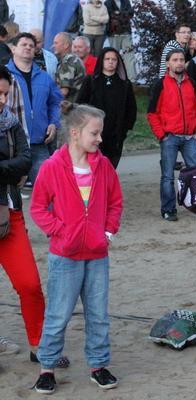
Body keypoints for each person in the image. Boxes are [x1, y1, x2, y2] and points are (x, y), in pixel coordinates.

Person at [30, 103, 123, 394]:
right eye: (94, 133)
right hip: (64, 255)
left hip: (96, 255)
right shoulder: (52, 167)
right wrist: (60, 231)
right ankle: (47, 368)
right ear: (74, 133)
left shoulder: (104, 166)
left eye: (100, 133)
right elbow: (38, 208)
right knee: (58, 314)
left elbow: (115, 202)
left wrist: (106, 232)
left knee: (98, 315)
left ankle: (99, 365)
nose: (99, 139)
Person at [0, 65, 47, 365]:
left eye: (5, 94)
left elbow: (26, 160)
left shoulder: (11, 124)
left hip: (9, 214)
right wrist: (8, 169)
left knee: (29, 284)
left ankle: (40, 344)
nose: (2, 100)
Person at [147, 49, 196, 222]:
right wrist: (162, 135)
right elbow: (152, 113)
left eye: (181, 59)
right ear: (168, 63)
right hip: (170, 136)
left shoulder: (192, 83)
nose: (179, 63)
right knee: (167, 176)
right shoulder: (160, 84)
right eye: (175, 60)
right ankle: (168, 209)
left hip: (190, 137)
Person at [7, 33, 62, 186]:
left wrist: (53, 123)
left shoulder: (45, 77)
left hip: (39, 142)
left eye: (31, 45)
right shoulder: (4, 75)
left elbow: (55, 103)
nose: (28, 47)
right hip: (11, 144)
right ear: (13, 49)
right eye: (24, 44)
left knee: (48, 187)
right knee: (9, 191)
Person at [76, 47, 137, 168]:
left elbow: (131, 108)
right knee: (92, 168)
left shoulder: (124, 84)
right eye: (107, 59)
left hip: (115, 135)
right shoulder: (91, 81)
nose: (110, 62)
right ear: (101, 61)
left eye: (114, 59)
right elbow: (80, 106)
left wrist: (124, 129)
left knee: (110, 168)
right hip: (93, 133)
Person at [105, 0, 136, 82]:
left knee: (130, 57)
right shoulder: (107, 3)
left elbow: (131, 13)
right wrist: (123, 14)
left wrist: (118, 14)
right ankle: (113, 79)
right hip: (113, 34)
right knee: (113, 57)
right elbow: (109, 17)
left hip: (126, 33)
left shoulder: (126, 1)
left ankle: (132, 81)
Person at [53, 32, 86, 103]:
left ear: (66, 45)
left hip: (70, 105)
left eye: (56, 43)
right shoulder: (74, 58)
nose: (53, 46)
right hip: (76, 104)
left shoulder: (67, 61)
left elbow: (64, 91)